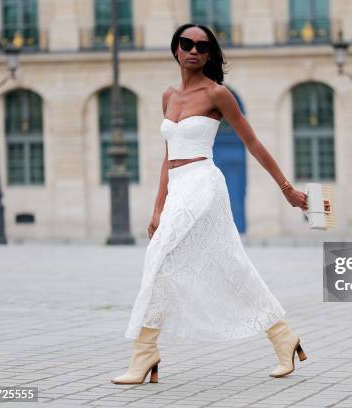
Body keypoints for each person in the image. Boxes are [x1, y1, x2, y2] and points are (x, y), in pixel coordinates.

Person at [111, 23, 309, 385]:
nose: (193, 51)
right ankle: (284, 337)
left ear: (209, 55)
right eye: (186, 44)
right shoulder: (168, 96)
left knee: (158, 260)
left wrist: (287, 190)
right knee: (229, 265)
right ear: (175, 50)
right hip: (178, 188)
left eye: (202, 47)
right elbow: (167, 155)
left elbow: (254, 144)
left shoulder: (218, 94)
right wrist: (158, 207)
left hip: (204, 183)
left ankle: (144, 357)